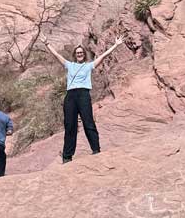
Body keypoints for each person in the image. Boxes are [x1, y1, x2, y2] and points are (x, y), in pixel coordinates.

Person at [40, 34, 126, 163]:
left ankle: (96, 149)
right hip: (71, 96)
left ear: (84, 54)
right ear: (75, 55)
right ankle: (67, 156)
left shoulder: (89, 66)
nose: (79, 54)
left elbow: (103, 56)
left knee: (88, 122)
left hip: (83, 95)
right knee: (70, 125)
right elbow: (57, 55)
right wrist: (47, 43)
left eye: (81, 52)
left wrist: (115, 45)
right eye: (77, 53)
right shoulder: (69, 65)